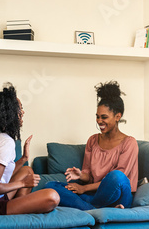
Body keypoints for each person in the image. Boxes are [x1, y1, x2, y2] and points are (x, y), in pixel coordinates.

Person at [0, 83, 60, 215]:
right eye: (19, 109)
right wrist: (23, 183)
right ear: (9, 113)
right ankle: (17, 211)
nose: (22, 112)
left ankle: (18, 209)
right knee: (52, 197)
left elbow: (1, 176)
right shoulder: (6, 142)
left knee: (27, 170)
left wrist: (24, 159)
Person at [45, 81, 138, 210]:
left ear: (117, 116)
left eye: (104, 117)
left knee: (116, 176)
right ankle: (94, 209)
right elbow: (88, 175)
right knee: (51, 186)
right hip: (95, 195)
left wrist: (83, 188)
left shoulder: (129, 143)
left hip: (119, 196)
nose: (99, 121)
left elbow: (117, 181)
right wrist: (81, 176)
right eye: (97, 117)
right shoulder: (93, 140)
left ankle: (86, 207)